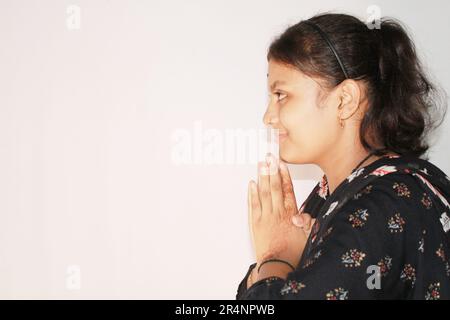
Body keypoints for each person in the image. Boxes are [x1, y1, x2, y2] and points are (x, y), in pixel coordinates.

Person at [236, 13, 450, 300]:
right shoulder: (336, 192)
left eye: (281, 95)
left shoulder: (382, 205)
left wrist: (277, 257)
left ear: (345, 100)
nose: (268, 117)